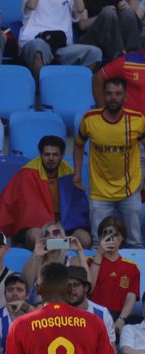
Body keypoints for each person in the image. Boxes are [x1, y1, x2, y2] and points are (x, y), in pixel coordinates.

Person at [75, 78, 145, 248]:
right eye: (109, 94)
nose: (113, 98)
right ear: (103, 96)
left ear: (125, 96)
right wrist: (77, 173)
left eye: (118, 93)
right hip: (99, 192)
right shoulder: (89, 119)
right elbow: (78, 144)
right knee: (100, 243)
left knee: (134, 242)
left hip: (129, 190)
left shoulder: (137, 120)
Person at [0, 135, 92, 249]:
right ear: (40, 155)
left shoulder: (70, 174)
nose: (51, 158)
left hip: (65, 226)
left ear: (62, 155)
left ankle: (61, 256)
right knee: (35, 235)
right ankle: (54, 252)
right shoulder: (26, 174)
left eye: (55, 155)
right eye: (47, 154)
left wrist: (58, 228)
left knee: (84, 238)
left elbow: (77, 210)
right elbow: (8, 205)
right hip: (37, 226)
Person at [18, 0, 101, 78]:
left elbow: (80, 9)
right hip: (36, 39)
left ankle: (77, 85)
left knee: (95, 53)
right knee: (37, 47)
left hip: (63, 46)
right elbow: (31, 5)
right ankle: (43, 88)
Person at [87, 215, 141, 327]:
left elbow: (131, 298)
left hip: (118, 317)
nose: (110, 238)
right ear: (100, 238)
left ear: (122, 238)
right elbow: (89, 289)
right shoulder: (89, 262)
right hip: (93, 316)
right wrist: (99, 255)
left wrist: (121, 319)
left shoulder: (132, 267)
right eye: (105, 234)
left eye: (115, 235)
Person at [0, 272, 34, 354]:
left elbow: (48, 317)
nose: (14, 293)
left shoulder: (36, 318)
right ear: (5, 294)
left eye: (19, 290)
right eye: (10, 290)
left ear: (27, 295)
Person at [76, 0, 141, 62]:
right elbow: (82, 25)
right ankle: (118, 58)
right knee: (108, 12)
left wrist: (126, 7)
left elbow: (134, 12)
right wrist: (102, 16)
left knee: (128, 12)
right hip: (92, 38)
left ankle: (135, 57)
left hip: (117, 34)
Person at [67, 264, 116, 346]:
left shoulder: (102, 314)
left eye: (75, 285)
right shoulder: (54, 313)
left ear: (86, 288)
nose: (71, 290)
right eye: (67, 286)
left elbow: (110, 352)